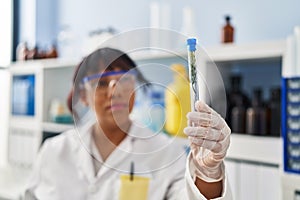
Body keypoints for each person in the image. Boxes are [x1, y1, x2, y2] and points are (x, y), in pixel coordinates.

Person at [24, 47, 232, 199]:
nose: (116, 90)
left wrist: (209, 172)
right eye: (102, 83)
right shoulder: (54, 152)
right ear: (83, 97)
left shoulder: (166, 152)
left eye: (124, 79)